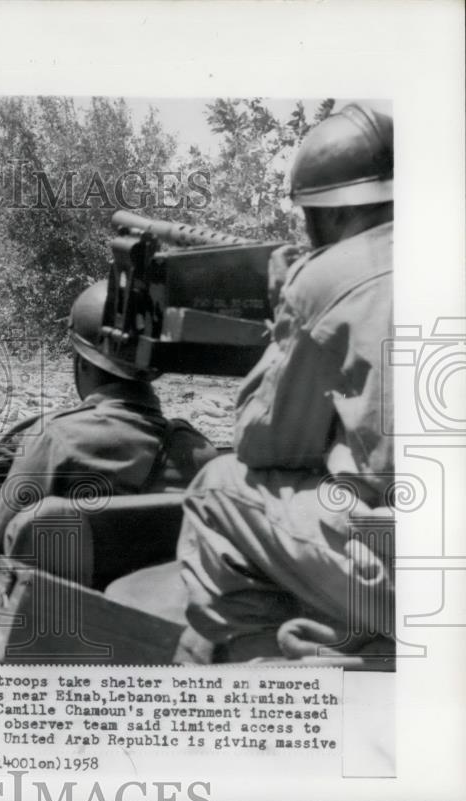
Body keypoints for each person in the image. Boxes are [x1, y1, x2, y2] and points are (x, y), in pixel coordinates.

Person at [174, 103, 395, 662]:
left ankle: (281, 667)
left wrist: (291, 307)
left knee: (216, 487)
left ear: (326, 213)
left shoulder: (330, 276)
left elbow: (266, 440)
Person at [0, 279, 217, 599]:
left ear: (81, 364)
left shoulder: (57, 440)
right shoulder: (201, 455)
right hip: (158, 630)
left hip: (64, 634)